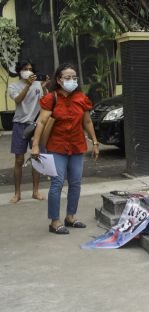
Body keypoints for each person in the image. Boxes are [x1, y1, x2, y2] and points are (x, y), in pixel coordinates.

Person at [31, 63, 100, 234]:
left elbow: (88, 122)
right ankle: (55, 221)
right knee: (57, 183)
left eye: (74, 78)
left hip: (77, 146)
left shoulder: (81, 98)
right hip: (57, 147)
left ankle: (70, 217)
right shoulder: (51, 99)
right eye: (67, 78)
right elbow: (41, 122)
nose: (72, 80)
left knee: (76, 183)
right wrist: (35, 146)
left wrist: (95, 142)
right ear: (59, 80)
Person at [8, 60, 49, 204]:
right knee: (19, 160)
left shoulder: (37, 84)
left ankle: (35, 191)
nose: (28, 71)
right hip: (19, 124)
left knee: (36, 158)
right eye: (25, 69)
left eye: (31, 69)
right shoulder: (13, 86)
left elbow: (45, 101)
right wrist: (27, 85)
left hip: (36, 124)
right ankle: (17, 193)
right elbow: (18, 100)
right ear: (19, 71)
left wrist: (43, 87)